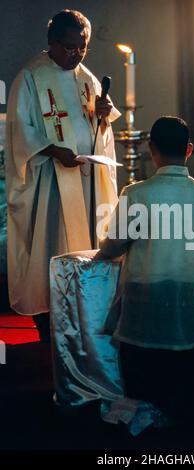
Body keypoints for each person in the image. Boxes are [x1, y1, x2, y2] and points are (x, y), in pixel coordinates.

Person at [5, 9, 120, 341]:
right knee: (51, 251)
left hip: (85, 186)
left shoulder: (87, 78)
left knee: (86, 248)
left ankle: (87, 322)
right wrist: (53, 150)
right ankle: (49, 326)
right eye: (69, 47)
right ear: (52, 43)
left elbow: (100, 128)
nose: (76, 54)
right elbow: (20, 131)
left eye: (82, 47)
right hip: (50, 186)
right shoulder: (31, 77)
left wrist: (103, 115)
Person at [98, 116, 194, 424]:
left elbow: (113, 248)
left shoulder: (137, 194)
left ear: (151, 148)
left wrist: (102, 247)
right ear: (189, 150)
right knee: (183, 410)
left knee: (141, 406)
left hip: (143, 317)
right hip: (187, 318)